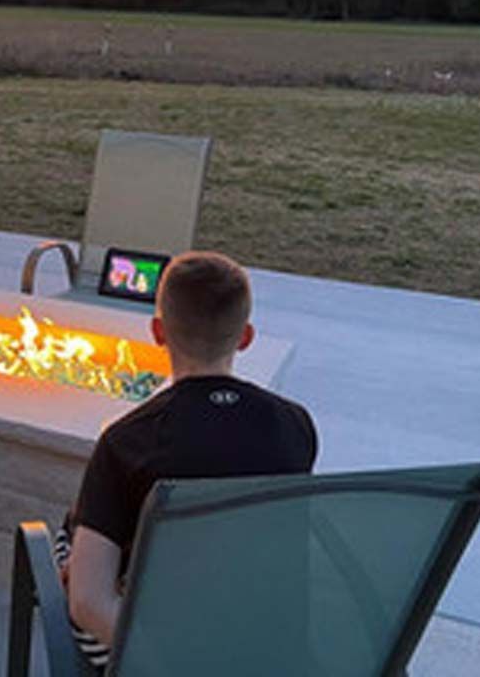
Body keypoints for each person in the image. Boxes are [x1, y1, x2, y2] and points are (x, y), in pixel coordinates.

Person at [59, 251, 318, 670]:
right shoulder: (294, 425)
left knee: (70, 535)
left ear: (158, 332)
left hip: (163, 653)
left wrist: (177, 662)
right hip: (260, 642)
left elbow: (88, 603)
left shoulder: (126, 441)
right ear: (245, 337)